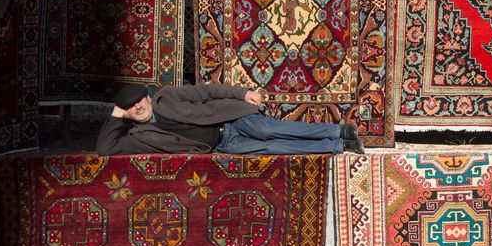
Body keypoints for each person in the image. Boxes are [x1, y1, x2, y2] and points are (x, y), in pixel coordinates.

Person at [97, 83, 365, 156]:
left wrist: (242, 93)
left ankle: (338, 132)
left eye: (139, 101)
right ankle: (339, 146)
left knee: (271, 131)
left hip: (231, 119)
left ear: (147, 97)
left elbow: (206, 91)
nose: (138, 108)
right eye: (130, 108)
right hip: (223, 144)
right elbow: (105, 149)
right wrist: (115, 114)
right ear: (126, 113)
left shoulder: (166, 98)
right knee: (274, 148)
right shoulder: (136, 137)